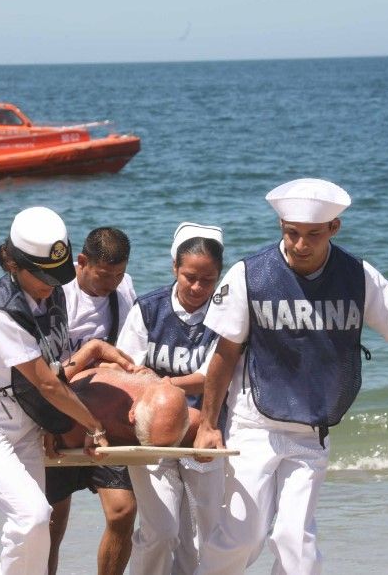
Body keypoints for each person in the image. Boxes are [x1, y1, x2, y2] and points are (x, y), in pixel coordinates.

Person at [193, 178, 388, 575]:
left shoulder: (358, 276)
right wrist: (207, 424)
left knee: (295, 542)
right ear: (281, 226)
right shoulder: (248, 274)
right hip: (254, 424)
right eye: (292, 233)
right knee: (241, 538)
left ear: (334, 227)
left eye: (313, 235)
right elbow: (225, 353)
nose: (301, 245)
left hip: (312, 430)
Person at [0, 206, 135, 575]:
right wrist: (94, 428)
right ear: (13, 264)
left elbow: (58, 367)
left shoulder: (53, 293)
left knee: (38, 528)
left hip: (26, 421)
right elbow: (46, 382)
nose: (51, 284)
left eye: (56, 275)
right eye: (43, 276)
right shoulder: (1, 313)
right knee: (31, 517)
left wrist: (50, 424)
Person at [116, 222, 226, 575]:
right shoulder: (148, 309)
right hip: (151, 434)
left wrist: (163, 385)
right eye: (189, 276)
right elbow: (126, 369)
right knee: (160, 532)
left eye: (207, 280)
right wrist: (162, 392)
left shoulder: (227, 314)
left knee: (199, 540)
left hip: (203, 433)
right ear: (174, 268)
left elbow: (210, 378)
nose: (197, 287)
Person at [46, 227, 139, 575]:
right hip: (58, 417)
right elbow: (43, 373)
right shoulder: (54, 293)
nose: (112, 283)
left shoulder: (125, 290)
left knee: (123, 511)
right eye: (104, 275)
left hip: (105, 419)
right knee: (50, 522)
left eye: (119, 274)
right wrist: (92, 353)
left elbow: (128, 356)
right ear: (81, 262)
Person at [51, 366, 195, 451]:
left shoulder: (184, 421)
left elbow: (51, 387)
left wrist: (94, 348)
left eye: (161, 384)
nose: (166, 378)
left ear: (132, 413)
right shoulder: (95, 404)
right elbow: (50, 386)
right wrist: (94, 349)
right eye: (164, 384)